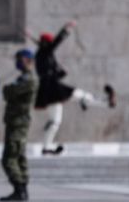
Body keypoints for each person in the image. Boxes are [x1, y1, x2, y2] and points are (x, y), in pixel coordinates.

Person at [32, 21, 117, 155]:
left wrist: (60, 72)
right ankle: (106, 102)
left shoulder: (43, 55)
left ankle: (46, 147)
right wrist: (66, 29)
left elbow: (50, 71)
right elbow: (55, 43)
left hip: (49, 89)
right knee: (80, 96)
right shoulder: (44, 53)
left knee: (55, 121)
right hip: (52, 88)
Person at [0, 49, 37, 202]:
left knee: (9, 157)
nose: (17, 62)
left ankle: (19, 188)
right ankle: (21, 190)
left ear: (27, 60)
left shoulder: (28, 80)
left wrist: (8, 89)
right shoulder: (23, 78)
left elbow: (9, 92)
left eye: (19, 59)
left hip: (18, 123)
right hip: (15, 122)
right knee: (19, 156)